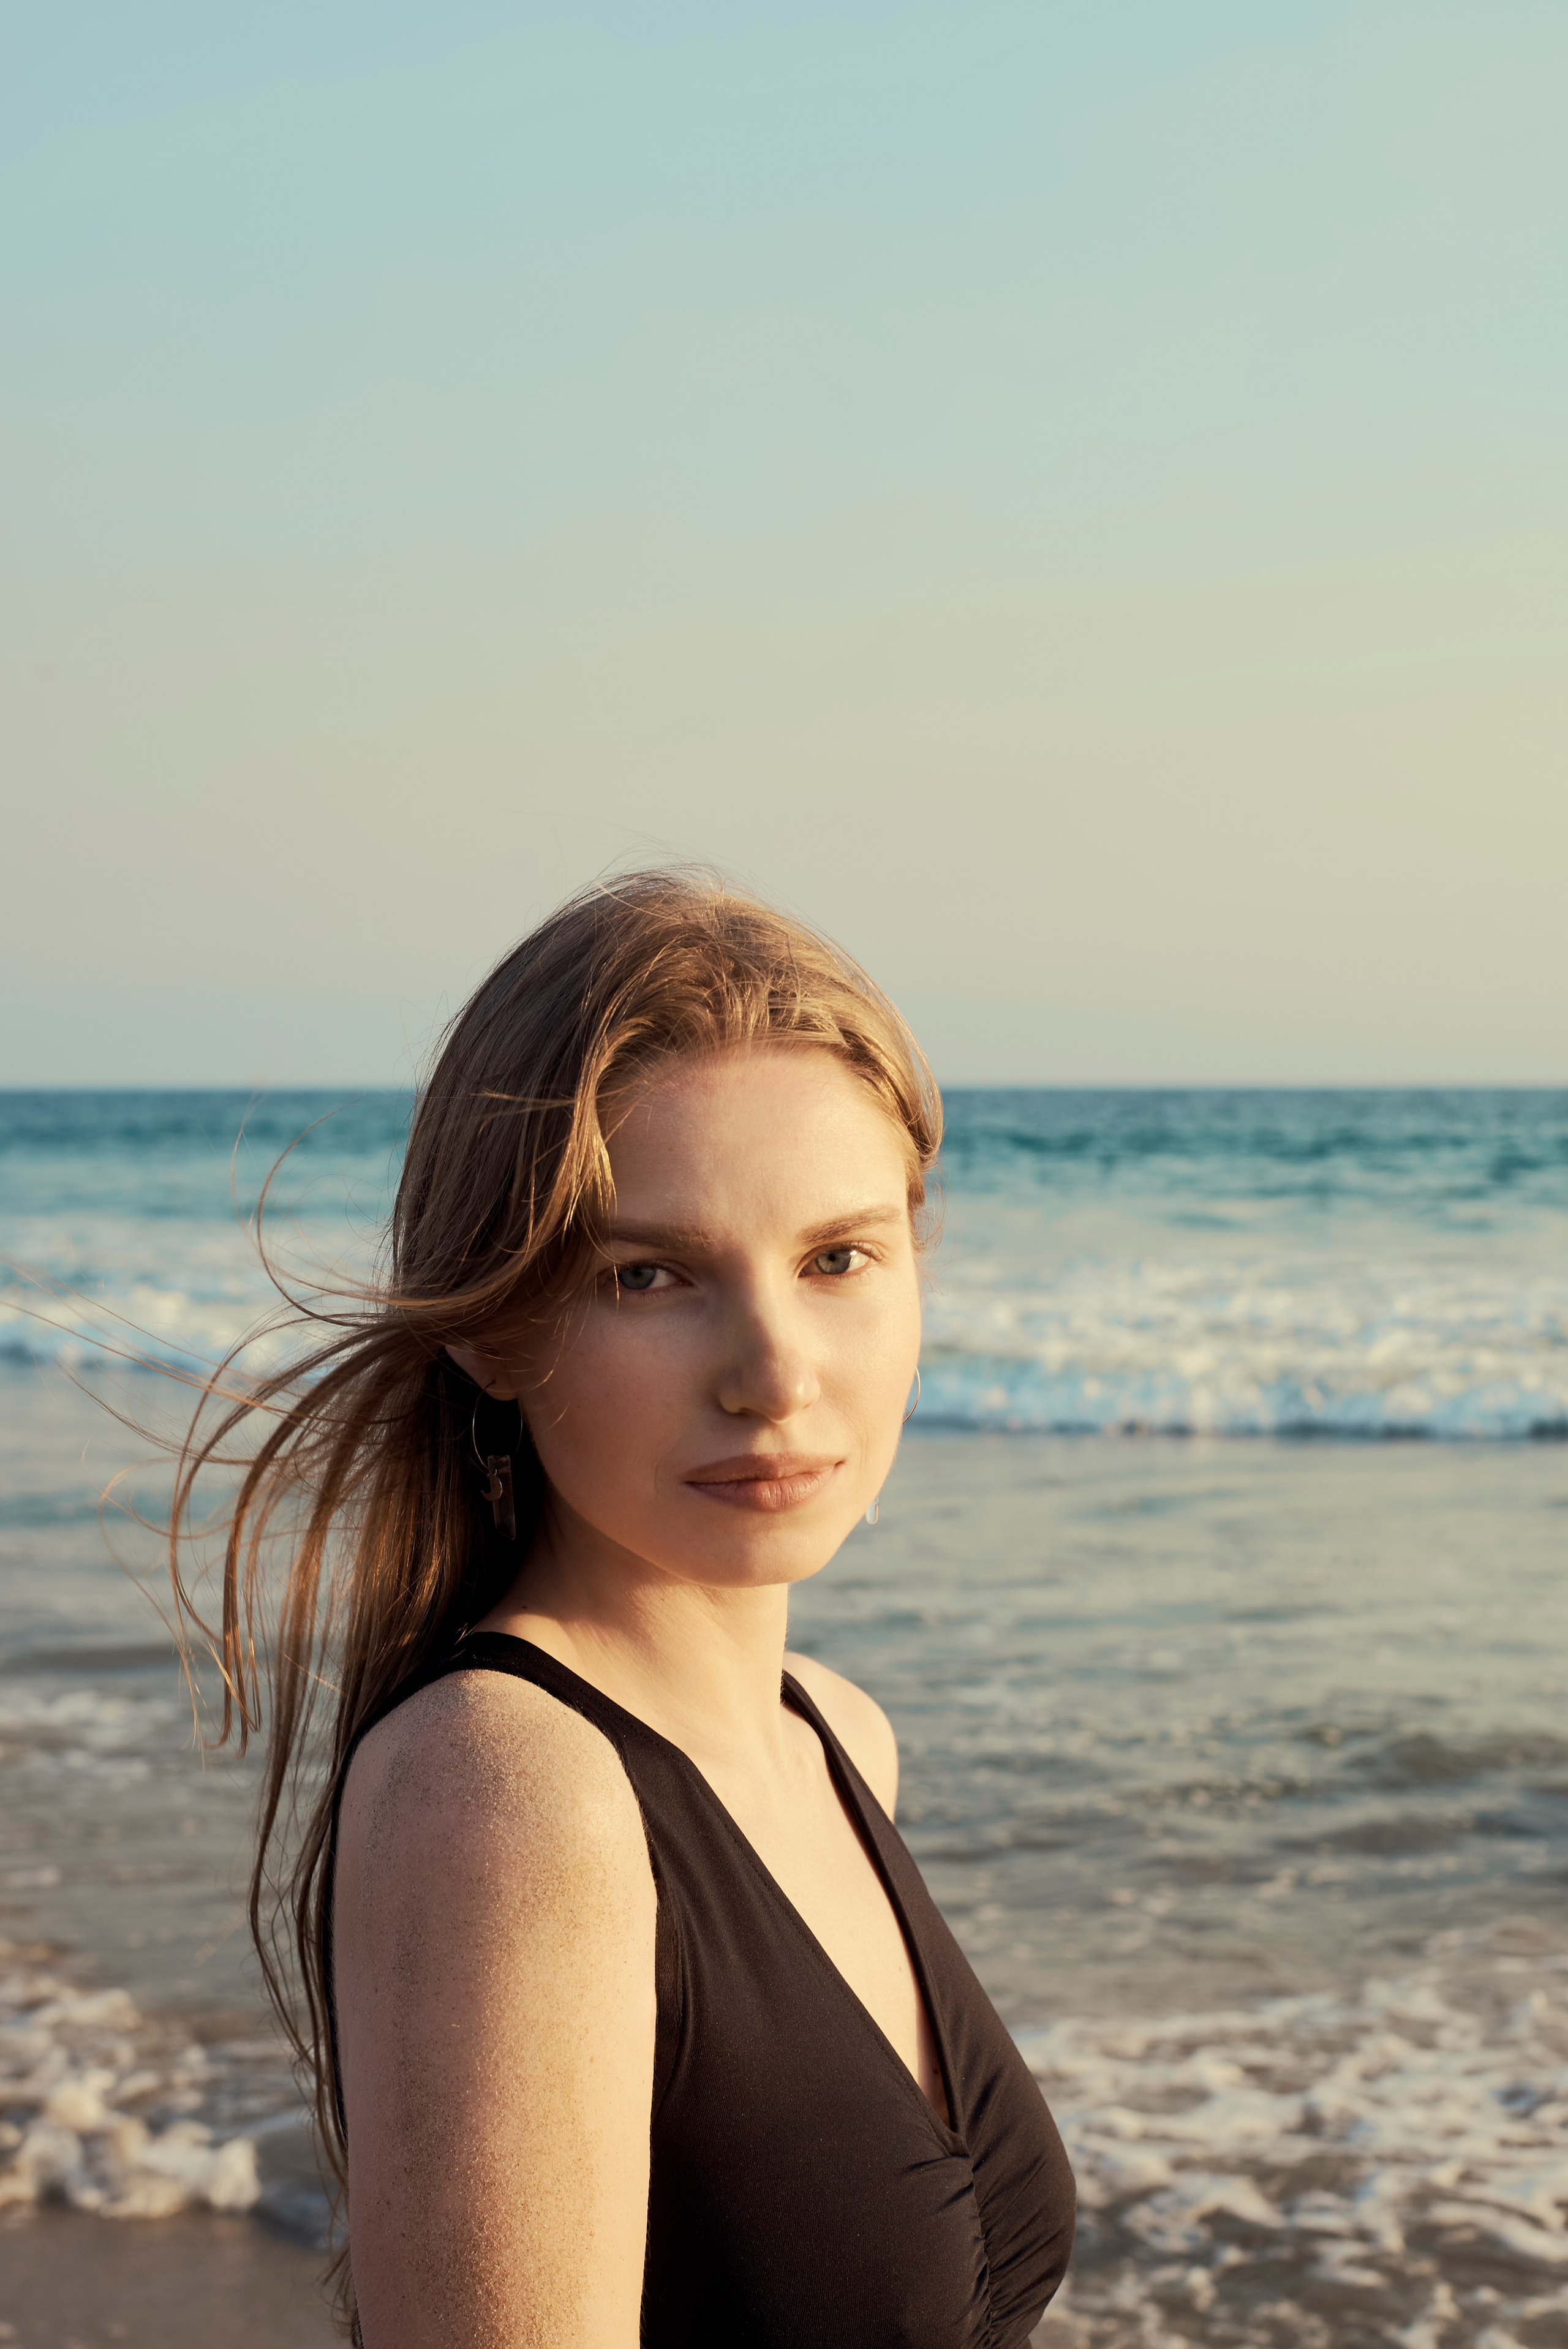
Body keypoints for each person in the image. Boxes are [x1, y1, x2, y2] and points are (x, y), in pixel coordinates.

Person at [177, 871, 1074, 2347]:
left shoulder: (833, 1738)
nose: (774, 1372)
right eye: (649, 1275)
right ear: (495, 1323)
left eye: (836, 1257)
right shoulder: (508, 1791)